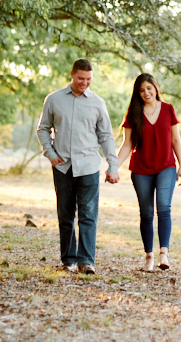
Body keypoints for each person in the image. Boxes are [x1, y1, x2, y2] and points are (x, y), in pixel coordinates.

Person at [37, 59, 119, 274]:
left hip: (89, 166)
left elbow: (106, 136)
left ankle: (86, 261)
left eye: (89, 79)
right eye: (81, 78)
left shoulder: (98, 103)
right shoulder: (53, 99)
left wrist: (113, 165)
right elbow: (43, 129)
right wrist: (51, 154)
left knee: (88, 215)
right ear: (72, 74)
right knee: (65, 215)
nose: (85, 83)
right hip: (63, 166)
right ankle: (68, 260)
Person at [116, 73, 181, 272]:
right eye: (141, 90)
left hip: (166, 166)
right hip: (141, 169)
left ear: (155, 88)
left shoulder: (168, 109)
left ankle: (164, 253)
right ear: (137, 93)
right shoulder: (133, 113)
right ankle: (149, 256)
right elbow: (127, 144)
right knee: (146, 213)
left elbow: (175, 140)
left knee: (164, 207)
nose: (146, 92)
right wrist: (114, 165)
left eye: (149, 88)